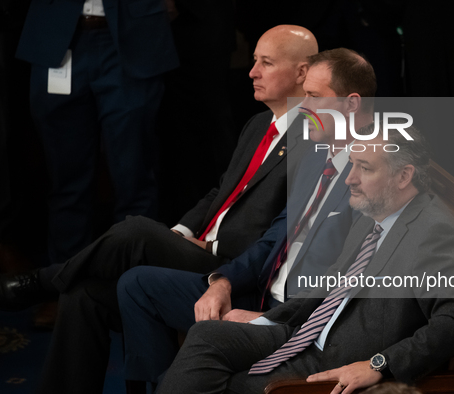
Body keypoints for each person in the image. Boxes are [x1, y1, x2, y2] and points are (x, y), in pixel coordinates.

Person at [0, 24, 318, 394]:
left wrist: (211, 248)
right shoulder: (259, 123)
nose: (252, 71)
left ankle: (40, 282)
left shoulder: (316, 139)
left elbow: (283, 233)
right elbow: (221, 193)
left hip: (233, 272)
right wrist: (181, 234)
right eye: (254, 61)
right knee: (83, 293)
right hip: (198, 250)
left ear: (301, 72)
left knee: (136, 231)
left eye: (266, 62)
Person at [116, 48, 377, 389]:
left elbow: (347, 279)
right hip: (263, 292)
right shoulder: (317, 154)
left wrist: (270, 319)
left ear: (351, 104)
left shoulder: (374, 174)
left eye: (314, 97)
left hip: (296, 318)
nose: (304, 107)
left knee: (205, 342)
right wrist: (222, 281)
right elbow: (275, 236)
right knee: (137, 285)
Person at [156, 126, 454, 394]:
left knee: (236, 387)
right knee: (207, 334)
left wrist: (379, 364)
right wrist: (267, 319)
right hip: (304, 330)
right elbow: (332, 283)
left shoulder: (434, 232)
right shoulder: (376, 209)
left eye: (364, 168)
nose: (350, 178)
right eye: (352, 164)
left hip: (334, 360)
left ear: (403, 176)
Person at [14, 0, 179, 271]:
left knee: (134, 177)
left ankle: (133, 287)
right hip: (58, 39)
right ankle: (65, 288)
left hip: (135, 36)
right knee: (66, 180)